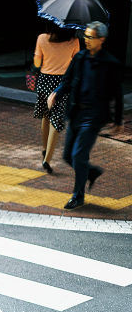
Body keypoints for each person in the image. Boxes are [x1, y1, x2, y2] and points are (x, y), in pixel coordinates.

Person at [49, 21, 124, 210]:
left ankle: (78, 196)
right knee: (68, 156)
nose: (86, 40)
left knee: (78, 155)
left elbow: (117, 93)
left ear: (101, 40)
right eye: (85, 36)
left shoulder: (110, 63)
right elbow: (66, 80)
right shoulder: (80, 57)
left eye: (90, 37)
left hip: (94, 116)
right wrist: (56, 92)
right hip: (76, 112)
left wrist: (117, 120)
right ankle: (91, 172)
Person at [32, 22, 79, 173]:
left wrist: (40, 56)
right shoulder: (74, 41)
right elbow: (76, 64)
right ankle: (47, 159)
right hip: (62, 83)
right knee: (56, 119)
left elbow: (37, 63)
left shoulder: (42, 38)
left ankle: (45, 149)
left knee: (46, 116)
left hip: (44, 80)